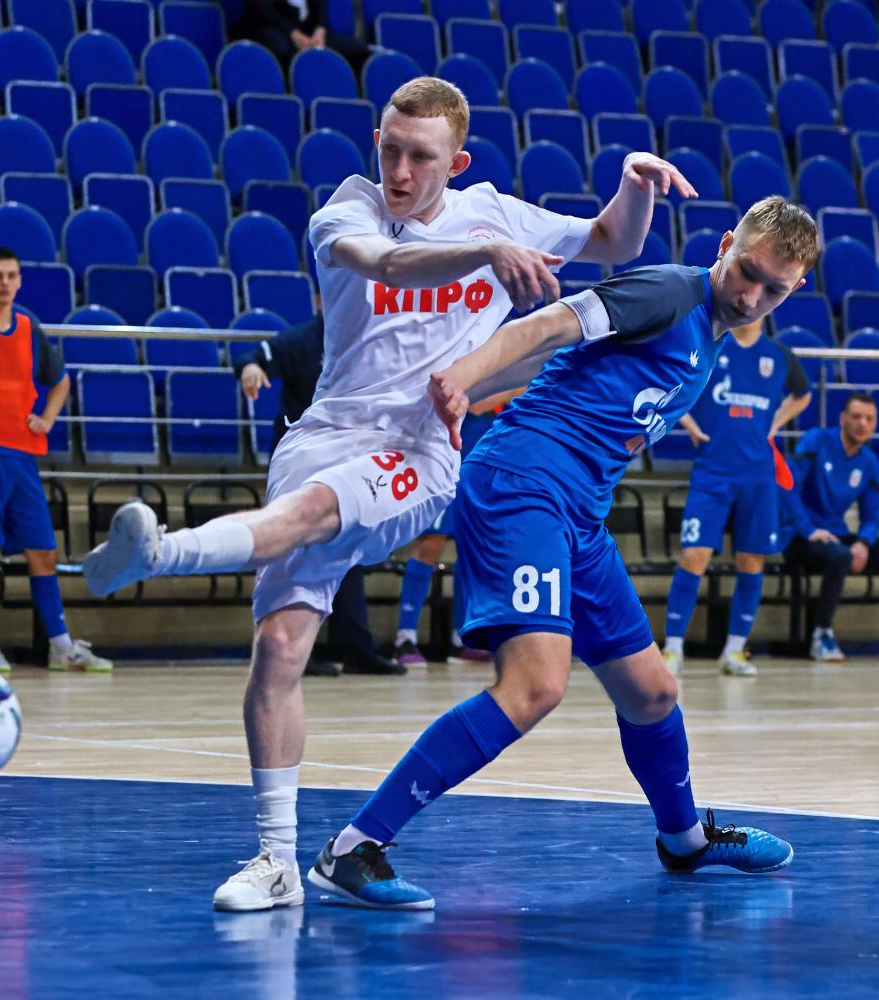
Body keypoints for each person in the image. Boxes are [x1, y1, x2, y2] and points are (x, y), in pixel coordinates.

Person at [82, 77, 685, 912]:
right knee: (280, 649)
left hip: (417, 452)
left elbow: (614, 240)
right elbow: (388, 263)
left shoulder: (495, 213)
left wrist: (634, 182)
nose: (400, 171)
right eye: (390, 150)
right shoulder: (349, 208)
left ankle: (160, 553)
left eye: (420, 158)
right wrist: (485, 255)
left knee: (311, 514)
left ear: (457, 163)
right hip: (325, 432)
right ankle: (277, 862)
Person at [307, 196, 815, 910]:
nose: (752, 296)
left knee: (653, 692)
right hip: (524, 485)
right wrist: (459, 378)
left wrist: (483, 385)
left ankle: (684, 839)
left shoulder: (709, 334)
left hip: (578, 511)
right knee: (535, 686)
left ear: (796, 289)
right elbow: (548, 325)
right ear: (726, 244)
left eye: (774, 289)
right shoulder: (670, 292)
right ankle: (353, 847)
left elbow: (560, 362)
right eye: (748, 272)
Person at [0, 247, 112, 673]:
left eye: (11, 275)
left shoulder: (29, 329)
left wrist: (46, 419)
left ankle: (61, 646)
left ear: (20, 281)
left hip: (23, 457)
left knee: (43, 551)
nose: (4, 283)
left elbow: (60, 382)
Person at [233, 313, 403, 676]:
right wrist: (250, 369)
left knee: (348, 544)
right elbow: (251, 356)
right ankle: (291, 650)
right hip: (302, 460)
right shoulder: (301, 339)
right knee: (289, 550)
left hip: (350, 457)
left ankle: (355, 647)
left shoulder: (366, 335)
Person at [660, 320, 810, 677]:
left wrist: (775, 423)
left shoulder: (779, 355)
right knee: (694, 556)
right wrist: (689, 424)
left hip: (758, 476)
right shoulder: (712, 345)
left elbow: (802, 394)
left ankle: (734, 650)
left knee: (752, 560)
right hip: (711, 473)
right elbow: (668, 383)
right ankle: (672, 648)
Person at [391, 404, 503, 668]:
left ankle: (461, 639)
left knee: (472, 552)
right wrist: (513, 390)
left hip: (481, 468)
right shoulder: (479, 376)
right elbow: (475, 404)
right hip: (447, 465)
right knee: (431, 545)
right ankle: (405, 638)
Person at [780, 391, 879, 662]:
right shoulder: (816, 440)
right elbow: (787, 485)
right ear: (842, 418)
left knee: (848, 551)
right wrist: (808, 529)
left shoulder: (869, 462)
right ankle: (822, 634)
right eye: (856, 417)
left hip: (836, 534)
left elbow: (872, 515)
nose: (862, 424)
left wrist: (864, 542)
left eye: (869, 419)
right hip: (799, 536)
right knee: (840, 556)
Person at [238, 0, 369, 75]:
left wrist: (320, 30)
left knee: (358, 50)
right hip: (275, 27)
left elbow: (321, 7)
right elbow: (262, 10)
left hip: (309, 30)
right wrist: (293, 33)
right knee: (282, 48)